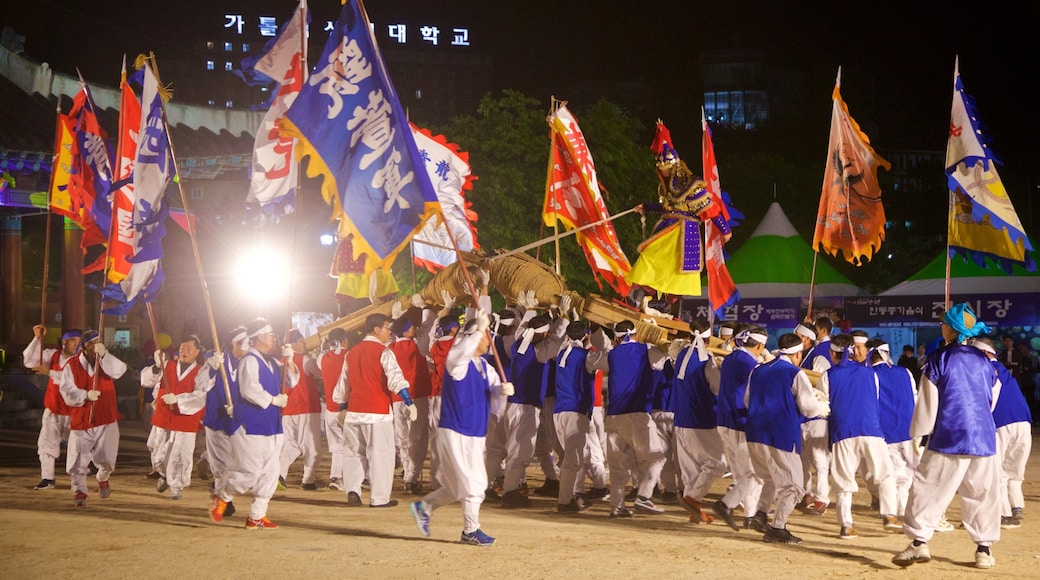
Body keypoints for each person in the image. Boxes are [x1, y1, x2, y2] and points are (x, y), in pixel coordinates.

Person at [892, 303, 1001, 569]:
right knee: (982, 493)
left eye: (943, 323)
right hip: (984, 437)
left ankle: (919, 543)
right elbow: (991, 400)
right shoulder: (986, 361)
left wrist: (919, 432)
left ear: (950, 330)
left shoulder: (939, 358)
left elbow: (928, 401)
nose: (941, 326)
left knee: (928, 488)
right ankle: (983, 550)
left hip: (949, 435)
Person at [409, 312, 511, 546]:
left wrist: (502, 393)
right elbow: (461, 351)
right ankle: (470, 530)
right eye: (485, 337)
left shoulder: (487, 368)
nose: (488, 341)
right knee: (474, 484)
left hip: (475, 432)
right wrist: (476, 329)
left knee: (458, 487)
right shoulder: (458, 362)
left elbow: (496, 408)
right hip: (455, 430)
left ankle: (424, 507)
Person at [210, 318, 298, 529]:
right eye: (271, 336)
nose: (274, 340)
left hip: (271, 425)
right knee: (248, 473)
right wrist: (273, 400)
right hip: (251, 425)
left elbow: (292, 380)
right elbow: (249, 389)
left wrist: (290, 360)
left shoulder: (271, 361)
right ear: (260, 337)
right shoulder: (250, 360)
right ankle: (222, 495)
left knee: (270, 473)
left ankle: (256, 516)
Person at [628, 122, 732, 299]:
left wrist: (725, 230)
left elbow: (710, 211)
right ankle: (637, 299)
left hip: (683, 232)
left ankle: (668, 308)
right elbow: (666, 206)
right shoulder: (670, 189)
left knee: (676, 272)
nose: (664, 174)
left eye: (667, 170)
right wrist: (645, 206)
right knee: (649, 258)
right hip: (668, 229)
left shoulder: (691, 187)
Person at [745, 333, 830, 544]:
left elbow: (747, 399)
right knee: (794, 486)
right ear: (798, 353)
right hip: (780, 434)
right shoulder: (795, 373)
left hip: (755, 433)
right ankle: (777, 527)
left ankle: (761, 514)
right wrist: (822, 408)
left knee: (769, 479)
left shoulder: (758, 370)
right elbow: (809, 408)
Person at [818, 333, 900, 539]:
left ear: (832, 353)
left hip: (843, 431)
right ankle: (889, 515)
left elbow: (822, 406)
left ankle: (846, 525)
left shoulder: (827, 375)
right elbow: (876, 397)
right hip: (871, 429)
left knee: (844, 481)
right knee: (886, 473)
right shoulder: (870, 373)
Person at [333, 313, 418, 508]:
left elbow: (341, 388)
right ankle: (379, 498)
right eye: (387, 328)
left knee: (353, 453)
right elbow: (396, 379)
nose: (390, 332)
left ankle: (353, 489)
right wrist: (409, 402)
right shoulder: (384, 352)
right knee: (381, 455)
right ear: (376, 330)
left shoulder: (350, 353)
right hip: (378, 413)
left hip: (354, 412)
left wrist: (342, 406)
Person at [588, 319, 668, 518]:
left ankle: (617, 507)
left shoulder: (611, 354)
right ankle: (644, 496)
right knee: (656, 457)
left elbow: (591, 362)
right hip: (637, 412)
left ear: (616, 336)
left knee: (617, 466)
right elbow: (663, 360)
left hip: (614, 415)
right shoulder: (647, 350)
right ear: (636, 334)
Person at [59, 330, 128, 507]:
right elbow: (66, 390)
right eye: (92, 343)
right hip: (82, 419)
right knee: (78, 458)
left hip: (106, 417)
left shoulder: (104, 361)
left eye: (99, 342)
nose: (96, 345)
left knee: (107, 457)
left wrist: (104, 355)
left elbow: (120, 370)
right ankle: (79, 490)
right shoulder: (71, 365)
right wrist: (85, 395)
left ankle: (103, 477)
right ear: (84, 347)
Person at [972, 336, 1031, 528]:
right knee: (1015, 469)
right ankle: (1016, 506)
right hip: (1023, 420)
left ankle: (1004, 514)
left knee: (996, 471)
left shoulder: (984, 368)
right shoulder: (1002, 368)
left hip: (1000, 422)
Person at [712, 326, 767, 530]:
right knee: (755, 473)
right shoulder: (752, 365)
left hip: (724, 420)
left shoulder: (730, 358)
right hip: (741, 422)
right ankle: (727, 505)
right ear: (760, 345)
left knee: (742, 474)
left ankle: (750, 516)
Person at [670, 320, 724, 524]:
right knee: (716, 463)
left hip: (681, 419)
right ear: (709, 339)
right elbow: (718, 388)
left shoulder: (681, 355)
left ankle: (694, 510)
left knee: (691, 468)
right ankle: (692, 499)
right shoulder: (706, 360)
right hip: (700, 420)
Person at [140, 335, 207, 499]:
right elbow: (146, 381)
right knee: (157, 452)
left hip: (185, 420)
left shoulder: (201, 372)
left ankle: (177, 485)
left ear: (197, 352)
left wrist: (178, 399)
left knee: (181, 454)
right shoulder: (167, 365)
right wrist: (156, 367)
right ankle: (163, 474)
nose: (185, 351)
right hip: (164, 416)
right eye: (183, 347)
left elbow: (201, 396)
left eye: (189, 349)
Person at [196, 326, 247, 518]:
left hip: (240, 419)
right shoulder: (216, 358)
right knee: (223, 466)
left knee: (242, 461)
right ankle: (224, 500)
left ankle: (207, 458)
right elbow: (201, 384)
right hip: (217, 419)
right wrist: (211, 367)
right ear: (236, 344)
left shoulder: (249, 361)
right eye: (246, 344)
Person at [22, 325, 80, 490]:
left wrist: (50, 373)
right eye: (73, 341)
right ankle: (48, 478)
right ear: (64, 342)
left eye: (79, 342)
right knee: (46, 444)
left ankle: (78, 478)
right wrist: (37, 339)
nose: (77, 345)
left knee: (78, 446)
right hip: (53, 409)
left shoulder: (81, 360)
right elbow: (29, 361)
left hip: (74, 411)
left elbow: (73, 380)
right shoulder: (52, 355)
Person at [867, 340, 918, 520]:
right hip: (910, 428)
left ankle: (900, 510)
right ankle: (912, 509)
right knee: (917, 470)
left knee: (895, 474)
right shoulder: (905, 372)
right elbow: (915, 397)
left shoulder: (869, 374)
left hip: (885, 430)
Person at [389, 299, 434, 495]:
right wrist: (426, 308)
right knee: (418, 439)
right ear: (406, 332)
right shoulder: (417, 344)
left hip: (397, 399)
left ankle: (408, 473)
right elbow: (428, 327)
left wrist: (396, 318)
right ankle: (411, 477)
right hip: (416, 397)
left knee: (403, 439)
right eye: (411, 328)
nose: (415, 329)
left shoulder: (390, 348)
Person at [552, 320, 596, 512]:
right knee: (572, 459)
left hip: (559, 411)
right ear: (586, 336)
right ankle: (565, 501)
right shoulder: (586, 356)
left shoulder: (561, 351)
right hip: (575, 411)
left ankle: (570, 497)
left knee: (571, 458)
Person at [278, 329, 323, 491]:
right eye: (302, 341)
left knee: (291, 445)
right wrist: (322, 354)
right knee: (312, 446)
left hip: (288, 409)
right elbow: (320, 372)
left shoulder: (281, 361)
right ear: (294, 344)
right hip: (307, 407)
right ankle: (308, 480)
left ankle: (280, 474)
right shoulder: (305, 360)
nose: (305, 344)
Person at [798, 316, 834, 515]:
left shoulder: (820, 354)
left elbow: (819, 384)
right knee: (802, 458)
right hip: (804, 414)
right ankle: (807, 494)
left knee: (820, 461)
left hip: (817, 413)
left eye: (799, 336)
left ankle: (821, 499)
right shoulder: (810, 352)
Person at [317, 328, 350, 491]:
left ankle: (336, 477)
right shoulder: (349, 355)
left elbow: (322, 355)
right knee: (354, 447)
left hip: (330, 410)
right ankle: (359, 478)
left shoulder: (322, 358)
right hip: (347, 409)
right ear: (344, 340)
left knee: (337, 447)